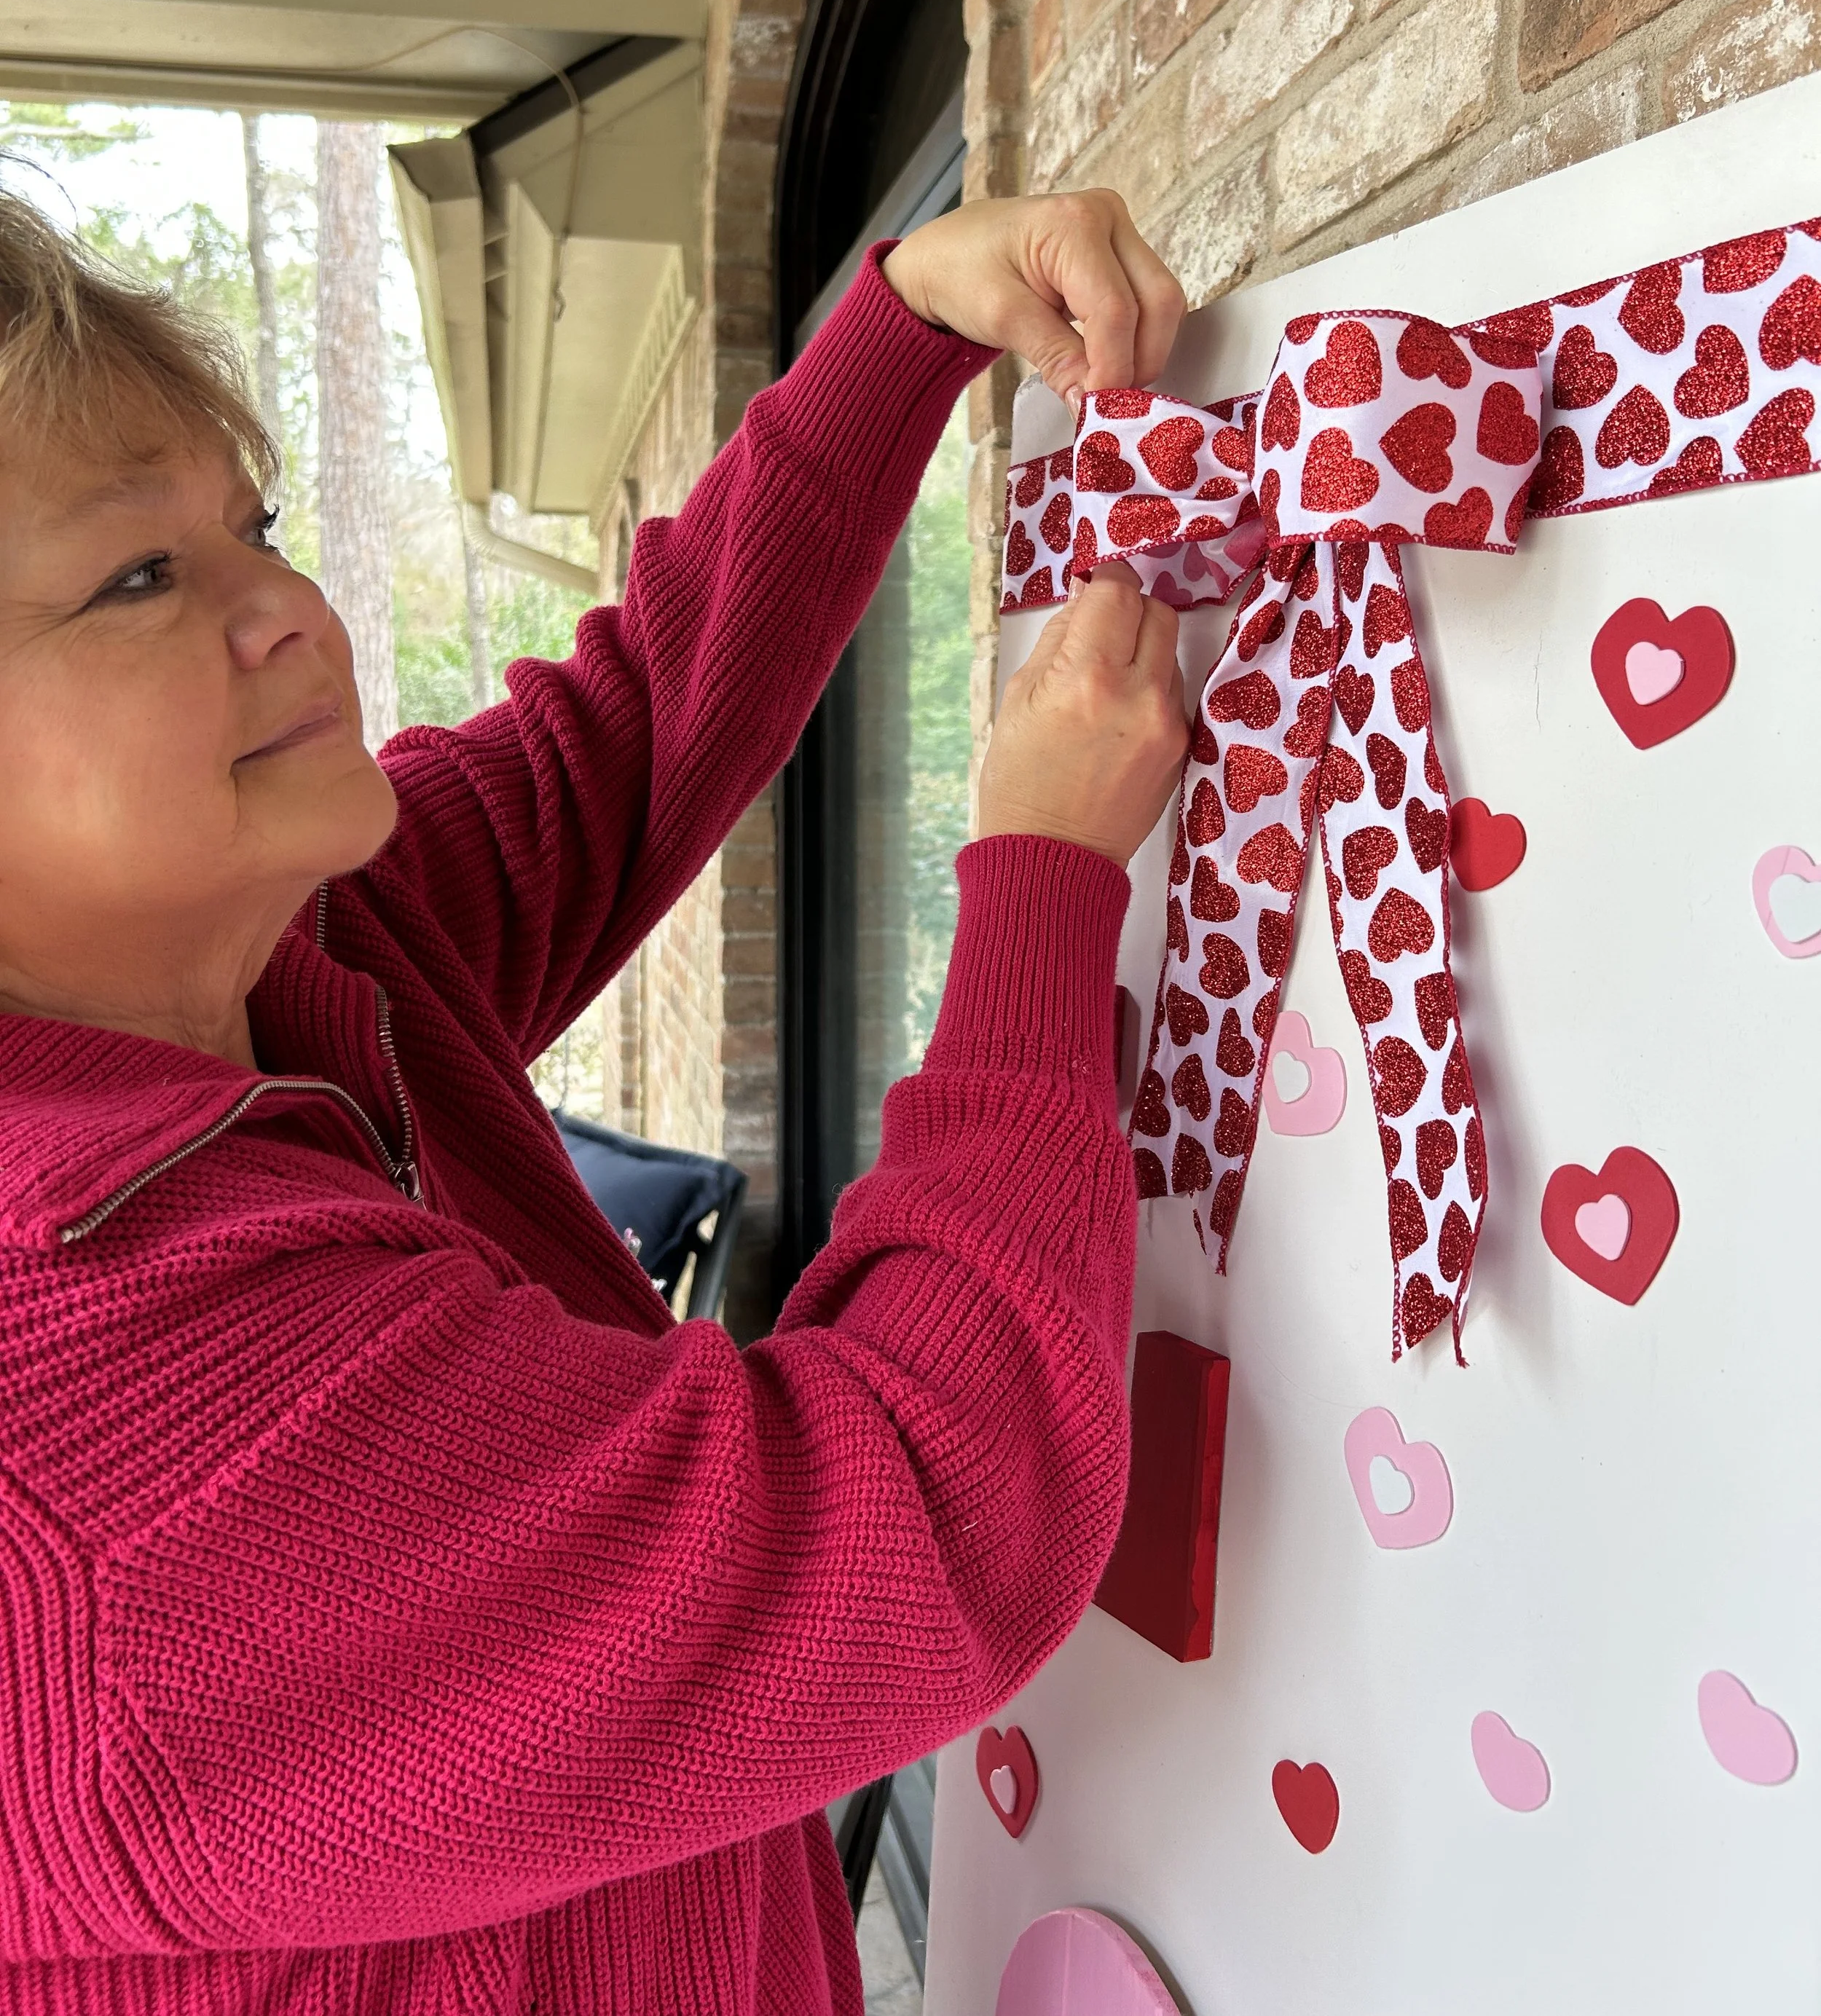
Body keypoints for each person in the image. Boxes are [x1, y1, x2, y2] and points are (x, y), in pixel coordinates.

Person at [0, 179, 1188, 2015]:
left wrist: (903, 325)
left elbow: (629, 727)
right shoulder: (82, 1384)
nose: (293, 611)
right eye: (142, 577)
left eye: (253, 526)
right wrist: (1040, 893)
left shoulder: (292, 950)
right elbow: (926, 1509)